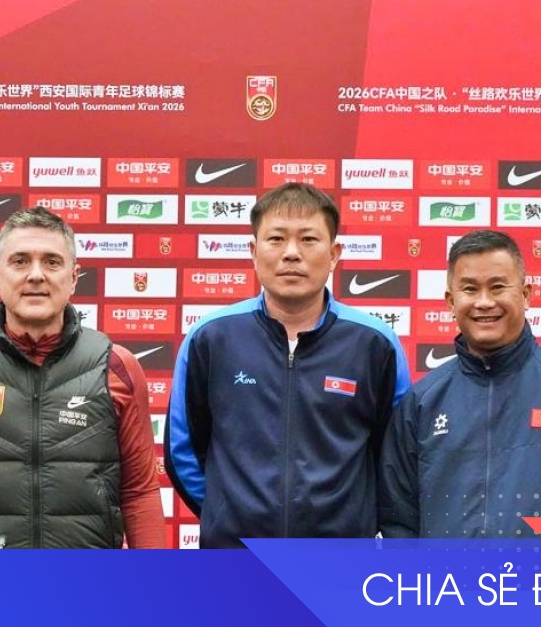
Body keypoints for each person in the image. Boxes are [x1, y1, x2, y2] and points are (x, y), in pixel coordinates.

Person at [0, 206, 164, 549]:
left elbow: (140, 491)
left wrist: (154, 577)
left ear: (74, 278)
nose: (36, 275)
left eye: (52, 262)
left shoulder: (115, 366)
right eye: (20, 261)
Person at [164, 182, 412, 548]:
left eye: (308, 239)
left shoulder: (374, 343)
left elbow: (396, 456)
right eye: (276, 239)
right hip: (234, 557)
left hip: (340, 560)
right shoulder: (212, 338)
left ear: (334, 253)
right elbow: (182, 450)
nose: (291, 253)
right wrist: (226, 514)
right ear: (254, 251)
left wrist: (354, 521)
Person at [377, 229, 541, 538]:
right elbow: (398, 521)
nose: (484, 302)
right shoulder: (421, 403)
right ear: (451, 301)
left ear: (526, 294)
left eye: (497, 287)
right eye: (470, 289)